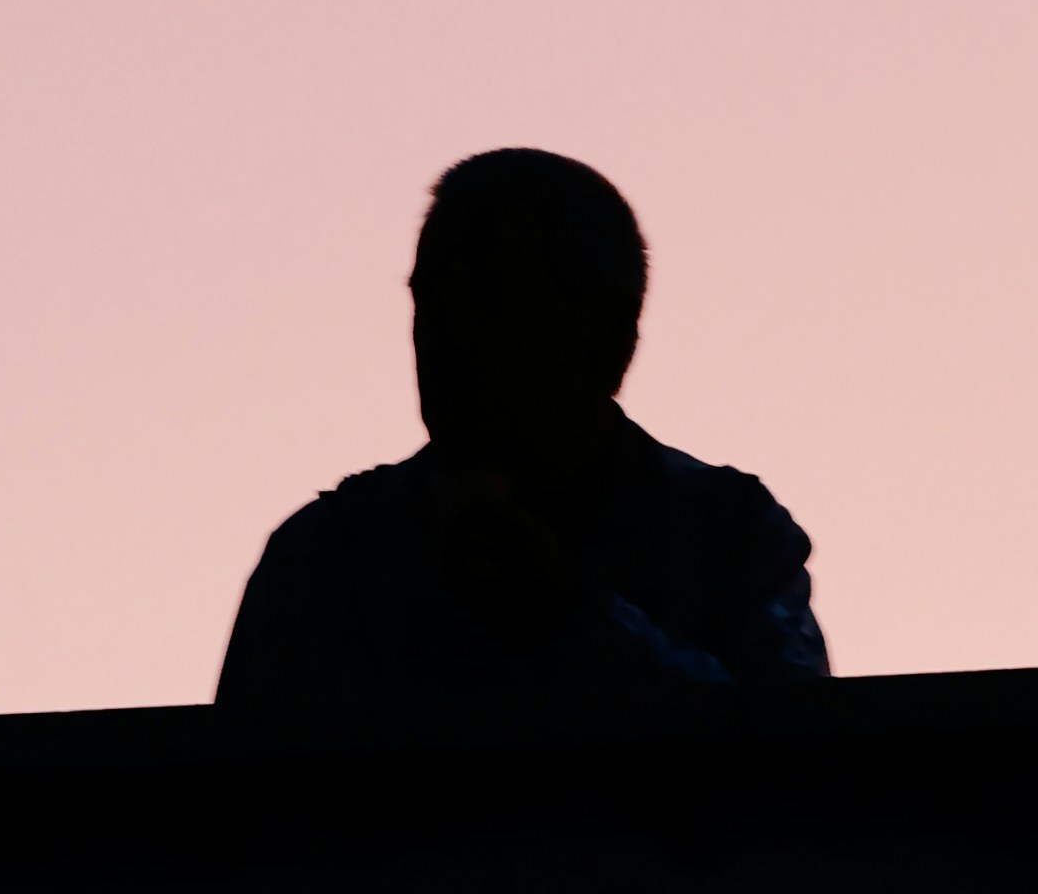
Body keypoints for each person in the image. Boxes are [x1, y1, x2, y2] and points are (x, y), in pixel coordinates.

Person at [216, 149, 828, 718]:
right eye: (430, 299)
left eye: (492, 297)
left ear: (606, 339)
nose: (445, 335)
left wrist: (569, 621)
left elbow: (799, 774)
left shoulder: (731, 536)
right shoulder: (323, 561)